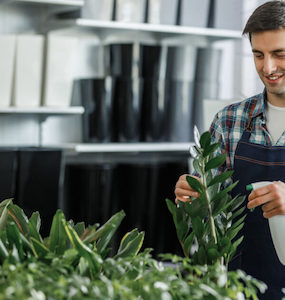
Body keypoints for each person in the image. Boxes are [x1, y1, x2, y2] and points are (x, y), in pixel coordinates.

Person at [174, 1, 285, 299]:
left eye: (279, 54)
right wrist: (194, 196)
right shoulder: (229, 121)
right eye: (258, 55)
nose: (268, 67)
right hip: (238, 288)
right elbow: (210, 217)